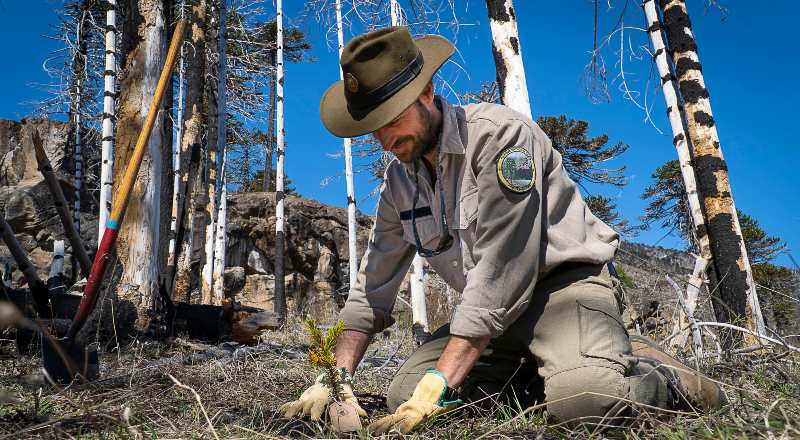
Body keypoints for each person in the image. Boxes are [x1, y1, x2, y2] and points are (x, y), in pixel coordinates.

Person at [280, 27, 725, 433]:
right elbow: (370, 292)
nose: (384, 141)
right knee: (404, 397)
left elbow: (502, 270)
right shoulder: (399, 185)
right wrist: (332, 379)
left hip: (563, 292)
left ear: (428, 93)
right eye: (372, 128)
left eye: (392, 118)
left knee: (587, 403)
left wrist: (441, 380)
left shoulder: (501, 140)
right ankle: (555, 367)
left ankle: (655, 373)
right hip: (491, 319)